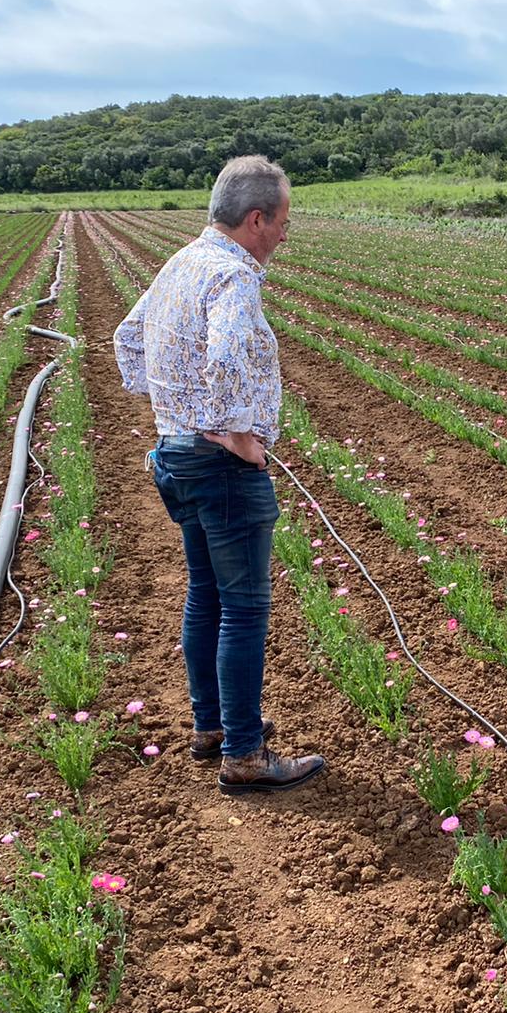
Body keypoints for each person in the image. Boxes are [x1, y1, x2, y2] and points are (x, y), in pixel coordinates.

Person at [114, 155, 324, 794]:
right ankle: (245, 752)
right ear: (256, 218)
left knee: (205, 594)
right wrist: (238, 436)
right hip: (219, 466)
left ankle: (210, 728)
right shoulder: (233, 276)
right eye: (283, 220)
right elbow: (230, 357)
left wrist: (174, 411)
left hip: (175, 456)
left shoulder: (182, 263)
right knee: (245, 607)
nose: (286, 233)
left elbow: (129, 338)